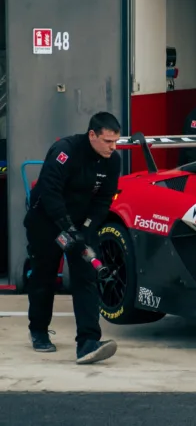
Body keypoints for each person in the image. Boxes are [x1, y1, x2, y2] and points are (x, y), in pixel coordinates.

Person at [24, 112, 123, 364]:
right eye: (108, 141)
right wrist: (67, 227)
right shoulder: (65, 150)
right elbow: (49, 191)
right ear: (92, 135)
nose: (113, 147)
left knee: (86, 276)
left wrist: (87, 229)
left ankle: (88, 342)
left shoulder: (112, 160)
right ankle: (38, 330)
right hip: (47, 221)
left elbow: (104, 200)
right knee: (44, 276)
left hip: (80, 226)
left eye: (116, 142)